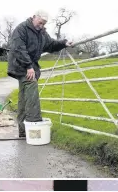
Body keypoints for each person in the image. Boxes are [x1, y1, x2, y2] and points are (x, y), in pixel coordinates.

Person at [7, 10, 72, 138]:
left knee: (24, 97)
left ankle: (23, 131)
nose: (41, 25)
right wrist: (28, 66)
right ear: (34, 17)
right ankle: (34, 127)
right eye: (40, 22)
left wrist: (64, 43)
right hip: (20, 65)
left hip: (29, 66)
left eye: (43, 24)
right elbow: (18, 48)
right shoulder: (22, 29)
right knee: (32, 88)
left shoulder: (41, 33)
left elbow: (51, 44)